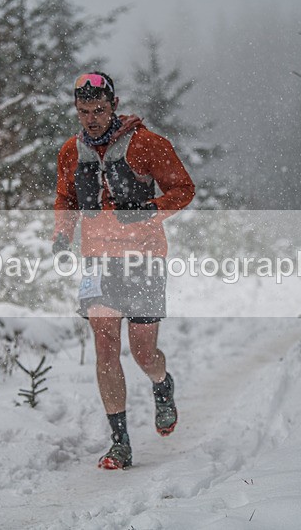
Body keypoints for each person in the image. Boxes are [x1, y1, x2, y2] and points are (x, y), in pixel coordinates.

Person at [52, 71, 195, 469]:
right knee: (105, 347)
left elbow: (184, 189)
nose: (92, 118)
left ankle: (162, 385)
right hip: (96, 260)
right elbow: (65, 198)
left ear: (113, 105)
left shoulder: (148, 144)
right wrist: (62, 235)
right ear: (77, 111)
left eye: (99, 110)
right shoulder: (70, 151)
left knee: (143, 351)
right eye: (84, 111)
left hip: (144, 258)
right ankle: (120, 443)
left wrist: (150, 210)